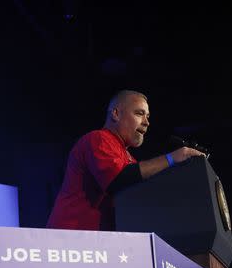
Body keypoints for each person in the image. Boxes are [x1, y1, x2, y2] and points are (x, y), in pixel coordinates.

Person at [46, 90, 206, 231]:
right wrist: (172, 158)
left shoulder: (129, 158)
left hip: (101, 245)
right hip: (71, 240)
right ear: (116, 113)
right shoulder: (98, 139)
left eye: (148, 116)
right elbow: (119, 179)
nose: (146, 122)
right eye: (139, 113)